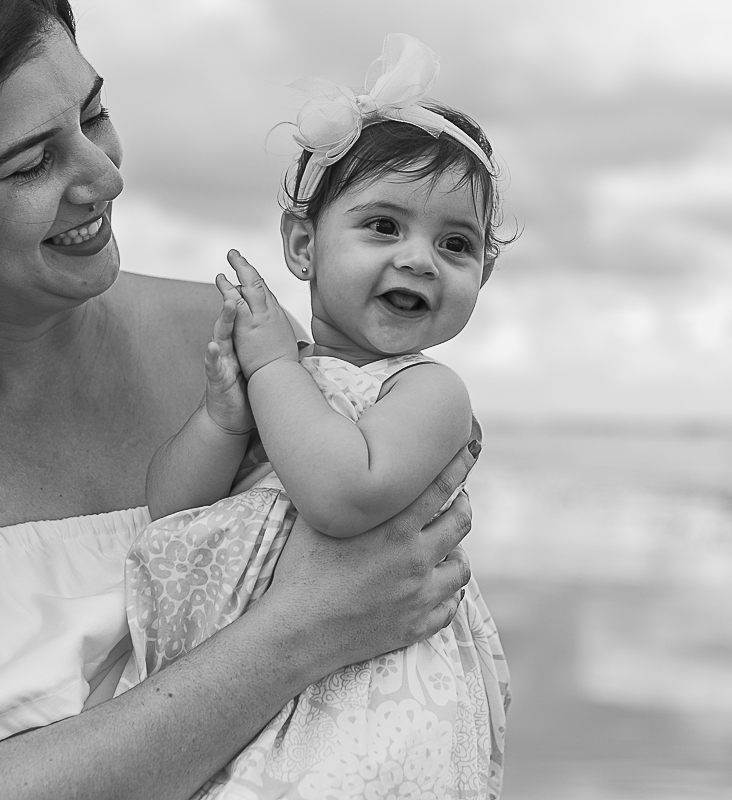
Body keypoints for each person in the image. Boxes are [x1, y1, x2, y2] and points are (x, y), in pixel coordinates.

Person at [0, 3, 480, 799]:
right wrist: (292, 638)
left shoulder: (238, 350)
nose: (106, 175)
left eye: (94, 113)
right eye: (31, 164)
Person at [123, 35, 510, 799]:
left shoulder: (429, 392)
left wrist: (270, 368)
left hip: (372, 691)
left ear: (482, 276)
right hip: (250, 669)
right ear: (303, 245)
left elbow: (341, 495)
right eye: (383, 227)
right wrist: (222, 421)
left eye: (456, 243)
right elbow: (170, 514)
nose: (419, 258)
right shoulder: (281, 385)